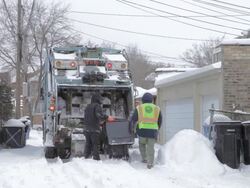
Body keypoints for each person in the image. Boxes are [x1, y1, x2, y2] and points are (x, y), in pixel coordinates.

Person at [129, 92, 162, 169]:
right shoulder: (157, 108)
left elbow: (134, 119)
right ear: (151, 100)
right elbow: (160, 120)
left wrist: (132, 128)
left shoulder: (139, 108)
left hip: (142, 131)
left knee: (142, 144)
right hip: (152, 132)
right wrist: (157, 128)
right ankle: (150, 163)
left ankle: (144, 158)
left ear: (143, 100)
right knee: (150, 147)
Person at [84, 93, 113, 160]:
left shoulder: (88, 106)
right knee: (95, 144)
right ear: (97, 99)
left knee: (88, 144)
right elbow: (99, 115)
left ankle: (86, 157)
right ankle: (96, 159)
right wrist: (107, 117)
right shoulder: (97, 106)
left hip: (86, 128)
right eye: (100, 99)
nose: (101, 100)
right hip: (94, 129)